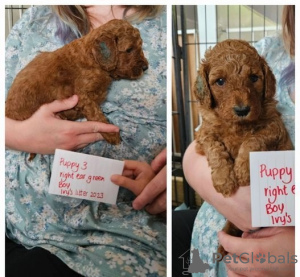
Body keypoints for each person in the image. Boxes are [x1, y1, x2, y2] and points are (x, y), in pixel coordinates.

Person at [5, 5, 166, 277]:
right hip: (11, 214)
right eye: (130, 52)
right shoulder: (35, 18)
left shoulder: (162, 23)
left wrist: (174, 174)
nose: (141, 59)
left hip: (111, 236)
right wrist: (21, 135)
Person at [182, 5, 295, 277]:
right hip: (211, 242)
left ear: (267, 82)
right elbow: (197, 147)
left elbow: (273, 130)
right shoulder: (267, 51)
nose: (242, 98)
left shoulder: (266, 103)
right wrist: (231, 194)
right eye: (220, 82)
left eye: (253, 79)